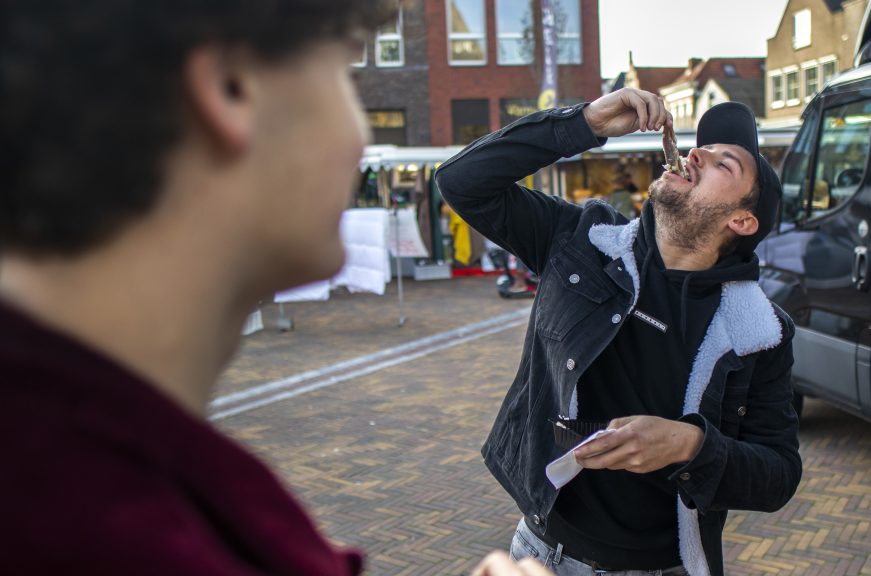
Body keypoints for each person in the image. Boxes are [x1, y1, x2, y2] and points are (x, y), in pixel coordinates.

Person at [0, 2, 548, 575]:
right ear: (232, 90)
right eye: (345, 76)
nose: (358, 134)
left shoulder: (91, 470)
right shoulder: (125, 533)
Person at [436, 88, 802, 576]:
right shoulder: (582, 240)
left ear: (741, 219)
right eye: (702, 147)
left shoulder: (759, 331)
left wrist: (689, 445)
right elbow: (462, 182)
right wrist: (584, 123)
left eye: (723, 164)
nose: (696, 153)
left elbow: (778, 474)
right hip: (542, 553)